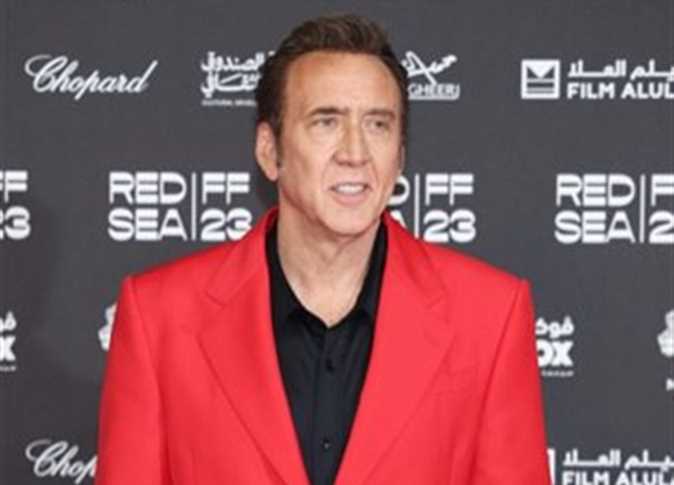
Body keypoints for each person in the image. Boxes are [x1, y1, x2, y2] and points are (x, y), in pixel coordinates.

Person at [95, 14, 551, 485]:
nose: (355, 152)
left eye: (378, 125)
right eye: (326, 122)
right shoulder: (159, 317)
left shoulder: (489, 317)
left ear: (400, 155)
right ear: (269, 151)